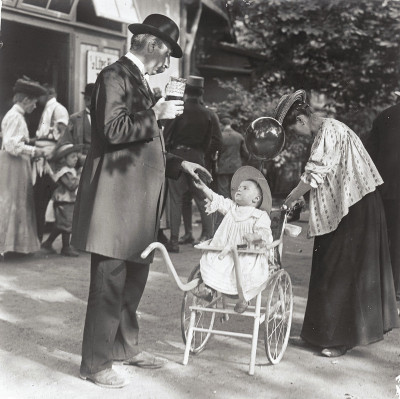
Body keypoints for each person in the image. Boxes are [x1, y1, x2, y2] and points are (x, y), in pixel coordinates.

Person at [71, 14, 212, 389]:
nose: (168, 63)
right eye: (167, 53)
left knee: (133, 280)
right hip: (115, 203)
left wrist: (182, 165)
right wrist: (156, 114)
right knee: (109, 281)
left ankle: (124, 348)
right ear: (152, 45)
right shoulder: (114, 76)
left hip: (135, 205)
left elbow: (143, 148)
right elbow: (113, 130)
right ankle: (95, 363)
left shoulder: (140, 82)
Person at [274, 90, 400, 357]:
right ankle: (317, 335)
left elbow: (314, 174)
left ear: (301, 120)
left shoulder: (330, 130)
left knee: (343, 271)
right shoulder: (326, 131)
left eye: (294, 129)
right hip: (343, 207)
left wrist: (289, 199)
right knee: (326, 265)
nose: (297, 134)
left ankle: (340, 339)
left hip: (356, 206)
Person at [193, 166, 273, 313]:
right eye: (239, 188)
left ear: (256, 198)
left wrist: (255, 236)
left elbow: (265, 233)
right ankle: (209, 290)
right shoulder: (231, 208)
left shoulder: (259, 215)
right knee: (213, 263)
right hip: (225, 251)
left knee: (247, 271)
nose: (239, 190)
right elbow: (218, 199)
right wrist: (204, 188)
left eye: (245, 188)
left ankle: (244, 298)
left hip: (246, 255)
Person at [164, 75, 222, 253]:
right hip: (198, 157)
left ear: (186, 91)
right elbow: (213, 140)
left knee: (174, 199)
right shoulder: (209, 113)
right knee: (202, 197)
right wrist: (202, 154)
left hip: (177, 156)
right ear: (201, 92)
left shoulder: (178, 109)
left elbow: (167, 135)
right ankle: (210, 237)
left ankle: (173, 241)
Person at [0, 78, 47, 255]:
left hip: (16, 165)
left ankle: (12, 246)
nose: (35, 107)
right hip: (13, 165)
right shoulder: (16, 117)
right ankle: (8, 246)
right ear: (25, 100)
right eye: (33, 103)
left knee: (15, 202)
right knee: (11, 202)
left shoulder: (15, 116)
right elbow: (11, 145)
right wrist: (35, 151)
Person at [366, 98, 400, 304]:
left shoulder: (384, 116)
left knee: (384, 239)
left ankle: (382, 290)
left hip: (385, 189)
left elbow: (369, 154)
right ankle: (396, 290)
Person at [33, 83, 69, 242]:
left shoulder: (58, 109)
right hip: (40, 156)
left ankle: (46, 235)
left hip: (49, 159)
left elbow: (63, 134)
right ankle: (39, 235)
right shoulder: (47, 109)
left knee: (46, 197)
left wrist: (54, 154)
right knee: (40, 197)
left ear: (48, 94)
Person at [41, 143, 81, 257]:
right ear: (64, 159)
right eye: (72, 157)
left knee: (61, 224)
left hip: (67, 200)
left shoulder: (70, 170)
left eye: (76, 156)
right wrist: (79, 175)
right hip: (63, 200)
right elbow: (71, 185)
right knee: (67, 223)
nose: (76, 159)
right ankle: (66, 247)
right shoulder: (64, 172)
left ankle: (48, 243)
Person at [214, 115, 249, 228]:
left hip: (223, 168)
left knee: (223, 193)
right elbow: (246, 153)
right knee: (236, 192)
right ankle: (237, 215)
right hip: (236, 168)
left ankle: (224, 218)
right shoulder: (239, 136)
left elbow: (215, 153)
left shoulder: (220, 136)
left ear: (222, 125)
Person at [63, 83, 94, 168]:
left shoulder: (105, 118)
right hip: (81, 162)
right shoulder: (74, 118)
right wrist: (78, 156)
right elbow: (67, 142)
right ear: (86, 99)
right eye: (89, 99)